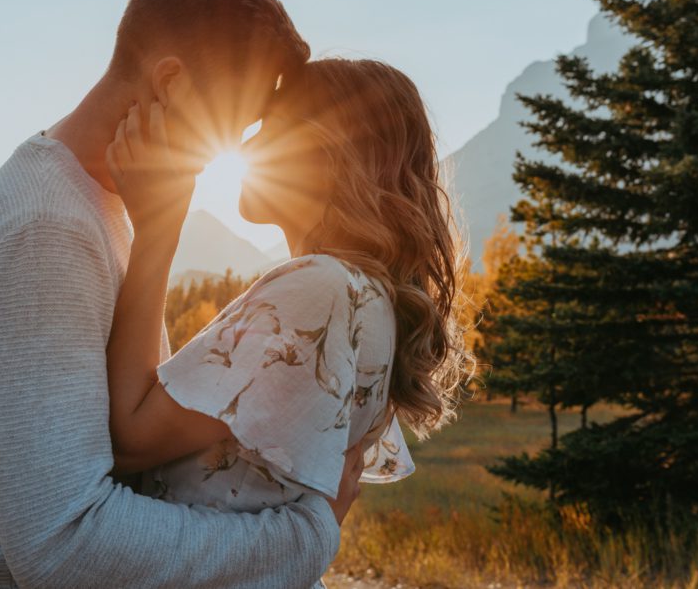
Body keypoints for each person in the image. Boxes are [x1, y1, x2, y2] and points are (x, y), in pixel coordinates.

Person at [0, 0, 366, 588]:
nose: (238, 145)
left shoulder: (104, 207)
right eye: (239, 119)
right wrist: (306, 536)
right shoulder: (48, 229)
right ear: (172, 83)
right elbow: (64, 546)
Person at [103, 57, 478, 588]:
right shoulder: (366, 298)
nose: (248, 148)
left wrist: (158, 227)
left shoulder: (319, 289)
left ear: (330, 152)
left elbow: (131, 439)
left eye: (271, 129)